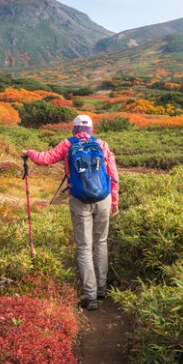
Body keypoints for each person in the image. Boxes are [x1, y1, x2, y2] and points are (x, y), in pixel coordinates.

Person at [21, 114, 119, 311]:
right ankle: (102, 288)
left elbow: (44, 159)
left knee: (84, 246)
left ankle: (90, 297)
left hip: (79, 199)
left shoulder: (67, 144)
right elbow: (113, 175)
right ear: (91, 129)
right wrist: (114, 202)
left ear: (74, 128)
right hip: (103, 199)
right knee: (101, 242)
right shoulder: (101, 144)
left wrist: (29, 152)